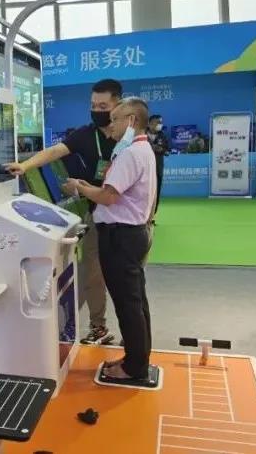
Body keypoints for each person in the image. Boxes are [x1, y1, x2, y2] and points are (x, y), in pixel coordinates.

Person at [6, 78, 122, 345]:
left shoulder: (129, 140)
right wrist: (25, 166)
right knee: (93, 274)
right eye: (93, 105)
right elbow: (55, 151)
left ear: (118, 105)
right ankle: (98, 327)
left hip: (128, 222)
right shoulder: (85, 134)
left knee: (127, 281)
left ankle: (134, 338)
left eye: (103, 106)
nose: (96, 110)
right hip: (97, 215)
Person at [63, 97, 156, 380]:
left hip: (120, 237)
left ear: (131, 120)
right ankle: (136, 359)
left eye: (115, 119)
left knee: (128, 304)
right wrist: (89, 187)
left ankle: (134, 368)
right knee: (135, 301)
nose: (110, 125)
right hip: (131, 234)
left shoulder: (130, 154)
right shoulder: (142, 150)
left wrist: (79, 188)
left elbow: (108, 197)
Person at [147, 115, 169, 218]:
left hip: (157, 169)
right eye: (158, 122)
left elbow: (166, 149)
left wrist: (160, 149)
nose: (160, 124)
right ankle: (143, 217)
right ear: (150, 123)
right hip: (145, 169)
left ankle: (152, 217)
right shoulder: (142, 133)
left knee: (156, 193)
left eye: (161, 122)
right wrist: (151, 147)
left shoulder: (162, 136)